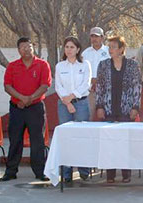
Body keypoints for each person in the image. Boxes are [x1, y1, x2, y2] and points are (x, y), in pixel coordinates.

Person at [0, 37, 51, 182]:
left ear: (33, 48)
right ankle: (10, 171)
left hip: (36, 107)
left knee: (37, 140)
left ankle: (40, 171)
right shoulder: (12, 66)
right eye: (23, 47)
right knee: (15, 140)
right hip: (17, 108)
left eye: (29, 47)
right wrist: (21, 98)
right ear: (18, 50)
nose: (26, 50)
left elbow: (45, 85)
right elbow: (7, 86)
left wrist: (30, 99)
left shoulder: (42, 64)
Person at [95, 36, 141, 183]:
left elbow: (136, 87)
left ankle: (126, 173)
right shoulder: (103, 65)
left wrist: (135, 107)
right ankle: (110, 174)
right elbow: (100, 88)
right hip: (108, 108)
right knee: (109, 142)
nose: (110, 50)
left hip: (126, 109)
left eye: (113, 47)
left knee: (124, 142)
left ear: (122, 49)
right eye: (109, 47)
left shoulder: (132, 65)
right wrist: (99, 106)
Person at [55, 36, 92, 184]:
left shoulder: (85, 65)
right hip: (64, 105)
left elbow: (86, 84)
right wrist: (67, 102)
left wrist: (72, 97)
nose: (69, 50)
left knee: (82, 137)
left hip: (81, 103)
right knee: (66, 138)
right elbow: (58, 86)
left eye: (72, 47)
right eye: (67, 47)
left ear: (77, 49)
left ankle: (83, 170)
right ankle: (66, 172)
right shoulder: (60, 66)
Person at [81, 27, 110, 120]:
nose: (94, 39)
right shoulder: (85, 53)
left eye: (97, 36)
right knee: (88, 117)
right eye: (92, 36)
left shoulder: (108, 51)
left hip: (106, 90)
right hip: (90, 90)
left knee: (106, 116)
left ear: (102, 38)